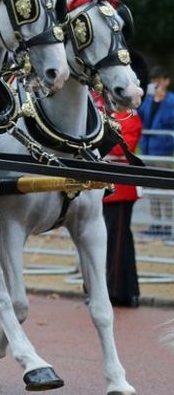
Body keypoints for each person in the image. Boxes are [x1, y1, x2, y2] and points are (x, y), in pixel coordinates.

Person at [97, 93, 143, 307]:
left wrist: (99, 141)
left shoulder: (129, 117)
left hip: (121, 190)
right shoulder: (105, 115)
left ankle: (117, 291)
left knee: (117, 243)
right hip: (104, 189)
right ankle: (120, 290)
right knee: (109, 242)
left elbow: (122, 148)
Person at [139, 65, 174, 239]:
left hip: (163, 152)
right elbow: (140, 115)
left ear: (166, 81)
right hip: (147, 150)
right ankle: (156, 223)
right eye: (153, 81)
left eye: (158, 81)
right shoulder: (147, 100)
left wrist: (161, 101)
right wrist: (152, 100)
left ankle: (167, 225)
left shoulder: (171, 101)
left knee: (164, 190)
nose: (155, 84)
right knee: (151, 189)